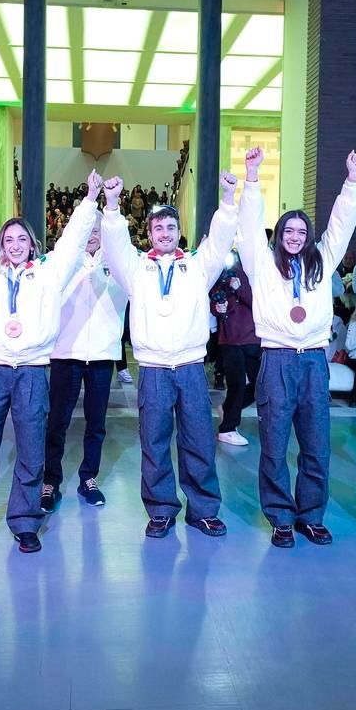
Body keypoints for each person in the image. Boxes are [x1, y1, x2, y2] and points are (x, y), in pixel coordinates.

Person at [0, 167, 101, 557]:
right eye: (8, 240)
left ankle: (26, 523)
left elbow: (71, 241)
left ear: (32, 244)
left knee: (31, 454)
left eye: (21, 239)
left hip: (32, 371)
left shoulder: (48, 273)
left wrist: (89, 199)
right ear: (0, 245)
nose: (15, 245)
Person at [100, 170, 240, 538]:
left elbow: (220, 241)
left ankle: (203, 510)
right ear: (149, 234)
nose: (165, 233)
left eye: (170, 228)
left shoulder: (197, 265)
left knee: (199, 441)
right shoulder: (136, 268)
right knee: (155, 443)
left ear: (179, 232)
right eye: (158, 228)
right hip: (154, 370)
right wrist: (111, 205)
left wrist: (228, 199)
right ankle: (161, 510)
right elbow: (114, 246)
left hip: (191, 367)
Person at [239, 146, 356, 549]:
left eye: (301, 232)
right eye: (288, 231)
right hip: (276, 360)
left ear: (309, 237)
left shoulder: (321, 262)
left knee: (316, 445)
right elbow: (248, 226)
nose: (295, 237)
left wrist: (352, 182)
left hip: (312, 360)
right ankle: (281, 518)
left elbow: (341, 227)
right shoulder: (261, 263)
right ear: (278, 235)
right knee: (274, 446)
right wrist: (252, 178)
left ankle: (311, 516)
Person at [41, 216, 129, 511]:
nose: (91, 234)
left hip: (102, 355)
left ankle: (88, 478)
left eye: (96, 229)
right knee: (57, 422)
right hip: (66, 353)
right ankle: (50, 481)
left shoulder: (118, 262)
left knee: (96, 423)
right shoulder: (61, 261)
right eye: (87, 229)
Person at [211, 251, 260, 446]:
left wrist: (240, 289)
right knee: (236, 384)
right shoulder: (221, 272)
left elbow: (261, 304)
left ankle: (227, 409)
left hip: (253, 337)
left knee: (260, 384)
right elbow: (214, 298)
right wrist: (217, 307)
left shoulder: (256, 270)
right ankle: (227, 429)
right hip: (230, 338)